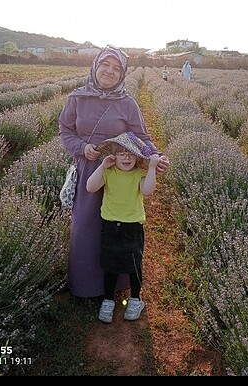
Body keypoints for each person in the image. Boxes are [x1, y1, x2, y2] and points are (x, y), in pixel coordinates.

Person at [58, 45, 170, 298]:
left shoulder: (127, 103)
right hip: (90, 170)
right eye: (105, 65)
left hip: (121, 173)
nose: (109, 71)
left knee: (117, 226)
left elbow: (141, 136)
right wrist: (80, 148)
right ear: (95, 67)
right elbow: (66, 129)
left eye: (116, 68)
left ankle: (117, 283)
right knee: (86, 226)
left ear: (122, 74)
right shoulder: (77, 98)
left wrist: (155, 156)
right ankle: (85, 283)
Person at [86, 131, 160, 323]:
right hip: (110, 227)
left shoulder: (139, 174)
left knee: (134, 266)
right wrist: (102, 166)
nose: (126, 158)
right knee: (109, 266)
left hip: (132, 228)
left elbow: (148, 191)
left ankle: (135, 299)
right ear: (113, 156)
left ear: (137, 157)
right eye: (120, 153)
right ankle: (108, 300)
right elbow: (90, 187)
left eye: (130, 153)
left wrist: (152, 168)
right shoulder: (108, 173)